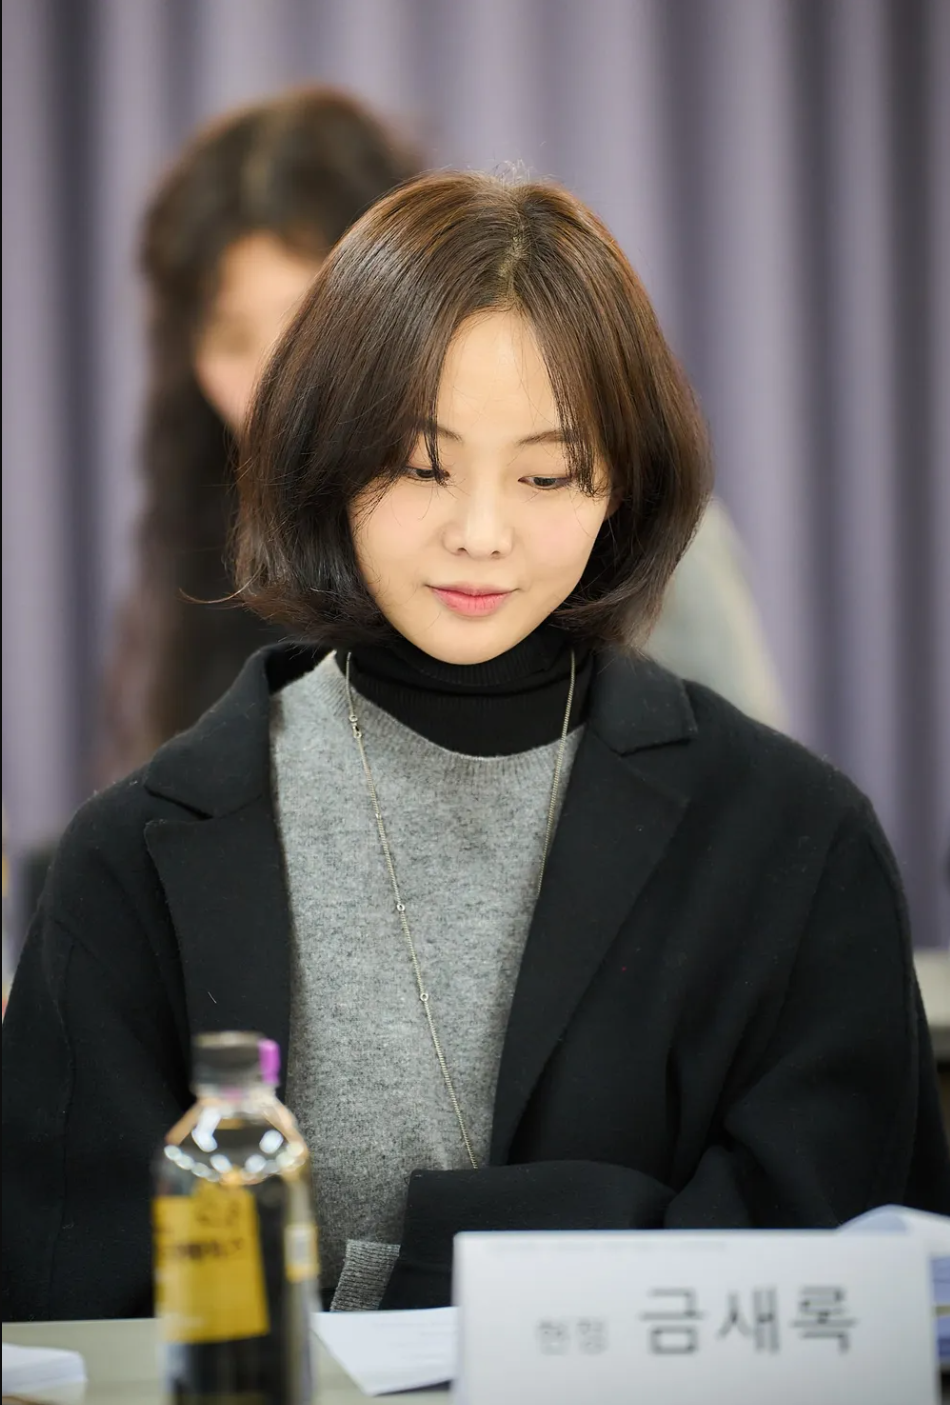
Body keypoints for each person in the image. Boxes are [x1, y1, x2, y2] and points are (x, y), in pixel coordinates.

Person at [5, 171, 946, 1323]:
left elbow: (844, 1287)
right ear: (322, 453)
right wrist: (590, 1229)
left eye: (546, 474)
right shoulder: (134, 860)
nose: (482, 532)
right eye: (419, 464)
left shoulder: (795, 844)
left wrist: (403, 1268)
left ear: (623, 481)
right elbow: (75, 1315)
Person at [100, 86, 422, 781]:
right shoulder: (208, 554)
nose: (272, 378)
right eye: (230, 338)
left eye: (302, 322)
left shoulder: (535, 517)